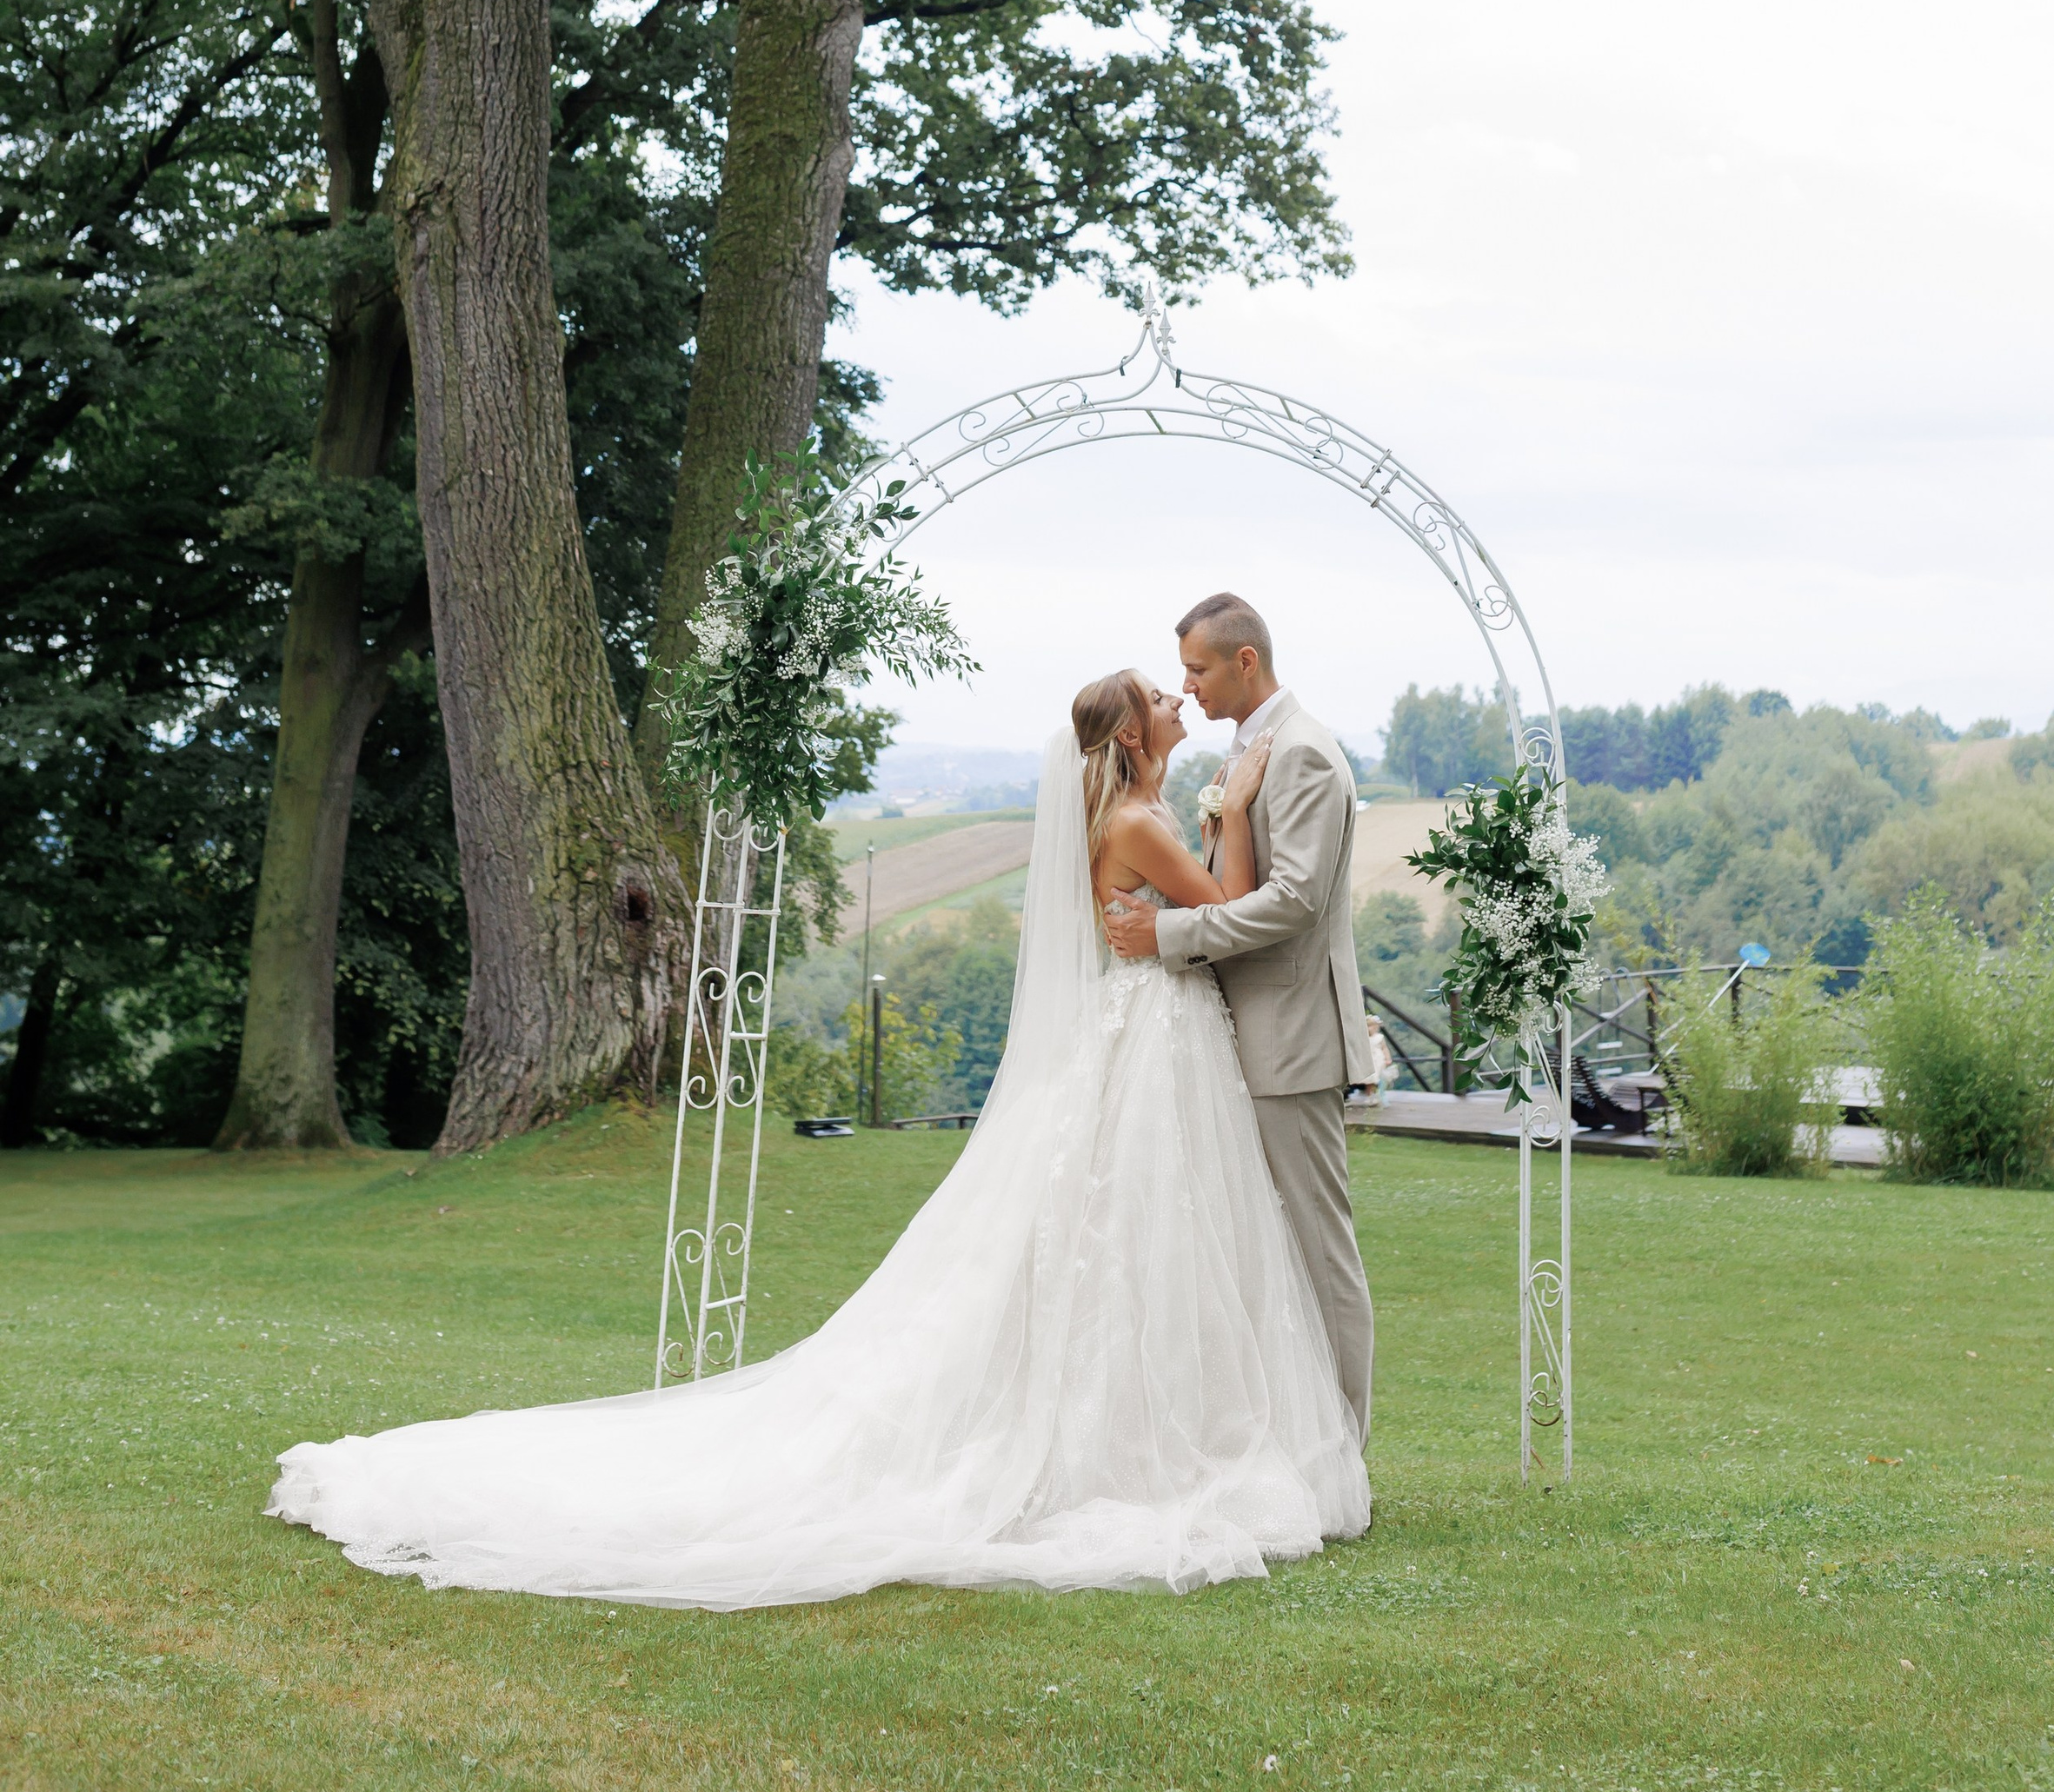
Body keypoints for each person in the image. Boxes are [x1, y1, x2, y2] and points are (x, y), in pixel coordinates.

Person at [265, 665, 1368, 1606]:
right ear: (1131, 734)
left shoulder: (1124, 812)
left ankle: (1155, 1423)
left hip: (1148, 1048)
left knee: (1134, 1240)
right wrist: (1235, 809)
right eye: (1161, 694)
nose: (1180, 701)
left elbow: (1175, 909)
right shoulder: (1138, 819)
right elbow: (1227, 899)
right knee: (1132, 1237)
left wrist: (1205, 827)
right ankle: (1143, 1442)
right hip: (1152, 1047)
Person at [1104, 591, 1375, 1438]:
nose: (1187, 688)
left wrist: (1167, 933)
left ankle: (1341, 1455)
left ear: (1244, 661)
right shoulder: (1248, 753)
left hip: (1290, 1040)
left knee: (1316, 1253)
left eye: (1197, 668)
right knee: (1258, 1253)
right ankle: (1285, 1444)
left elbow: (1293, 901)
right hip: (1236, 1038)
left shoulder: (1301, 755)